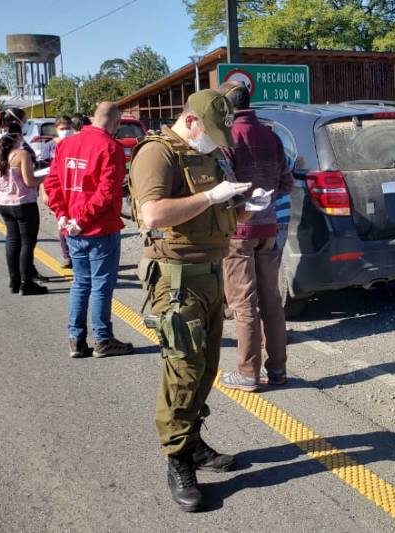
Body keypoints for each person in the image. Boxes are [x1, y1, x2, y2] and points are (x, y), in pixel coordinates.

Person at [128, 89, 251, 512]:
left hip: (210, 273)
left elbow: (215, 217)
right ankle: (178, 460)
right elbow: (154, 215)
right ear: (192, 120)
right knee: (182, 369)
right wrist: (212, 196)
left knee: (205, 366)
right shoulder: (157, 154)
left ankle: (193, 442)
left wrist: (244, 207)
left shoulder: (208, 156)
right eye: (212, 132)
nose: (217, 142)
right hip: (176, 278)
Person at [217, 81, 294, 392]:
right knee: (272, 300)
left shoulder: (228, 137)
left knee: (244, 303)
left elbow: (223, 188)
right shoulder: (271, 135)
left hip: (238, 230)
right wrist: (268, 203)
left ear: (225, 106)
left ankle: (248, 372)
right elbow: (287, 182)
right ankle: (278, 369)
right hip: (269, 227)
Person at [44, 102, 134, 359]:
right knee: (101, 286)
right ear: (116, 123)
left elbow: (52, 183)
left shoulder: (66, 144)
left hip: (72, 227)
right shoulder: (111, 147)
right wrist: (81, 220)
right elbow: (106, 192)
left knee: (80, 283)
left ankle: (76, 339)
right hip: (98, 228)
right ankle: (103, 338)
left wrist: (63, 215)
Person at [0, 123, 48, 295]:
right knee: (27, 243)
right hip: (23, 204)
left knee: (13, 241)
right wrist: (47, 176)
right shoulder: (22, 154)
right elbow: (30, 181)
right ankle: (27, 283)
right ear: (17, 136)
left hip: (4, 204)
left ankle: (14, 282)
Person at [42, 116, 75, 269]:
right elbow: (43, 171)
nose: (65, 132)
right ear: (56, 130)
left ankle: (77, 255)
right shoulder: (49, 146)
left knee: (74, 222)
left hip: (72, 190)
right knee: (62, 222)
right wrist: (44, 192)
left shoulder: (76, 144)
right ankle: (67, 256)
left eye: (68, 128)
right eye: (62, 129)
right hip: (57, 190)